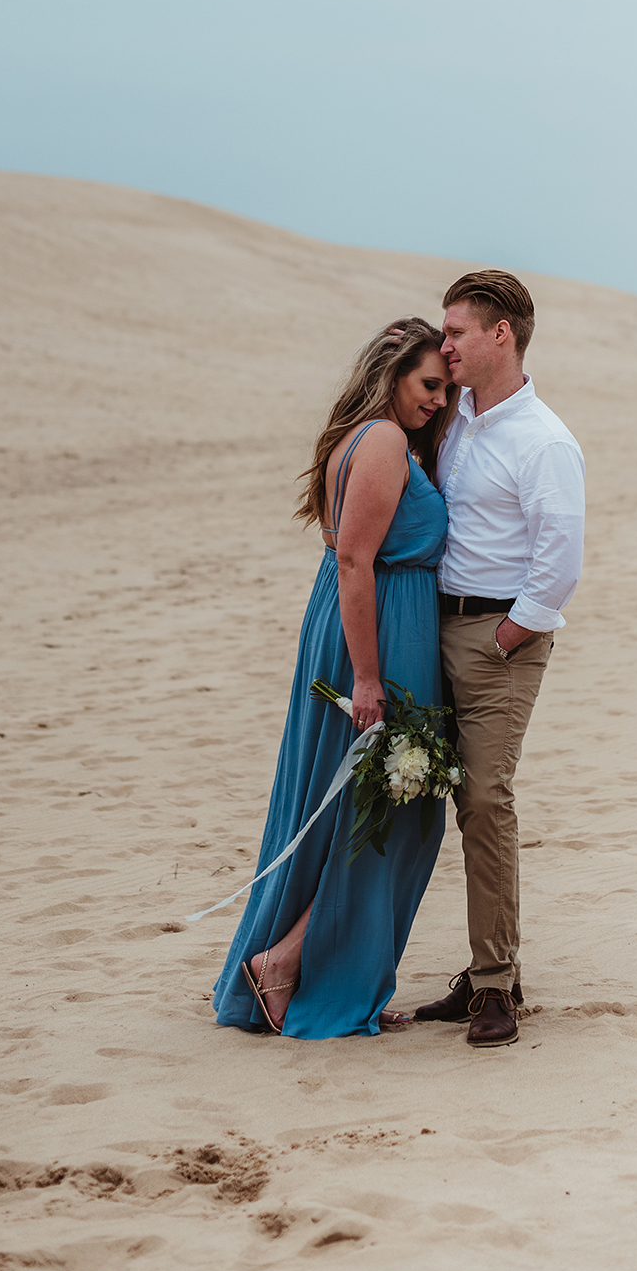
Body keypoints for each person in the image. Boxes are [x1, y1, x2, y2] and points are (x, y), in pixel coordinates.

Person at [213, 318, 457, 1039]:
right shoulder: (381, 440)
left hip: (362, 626)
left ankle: (302, 963)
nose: (438, 400)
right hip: (376, 634)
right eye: (428, 385)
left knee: (366, 805)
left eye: (445, 388)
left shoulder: (362, 436)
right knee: (389, 811)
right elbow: (355, 561)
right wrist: (371, 675)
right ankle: (289, 963)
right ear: (391, 374)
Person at [412, 270, 585, 1048]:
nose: (444, 344)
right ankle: (488, 969)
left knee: (485, 798)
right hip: (430, 630)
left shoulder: (544, 438)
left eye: (455, 331)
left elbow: (559, 561)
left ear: (499, 335)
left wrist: (506, 637)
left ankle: (493, 987)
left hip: (497, 642)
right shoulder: (457, 421)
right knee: (430, 800)